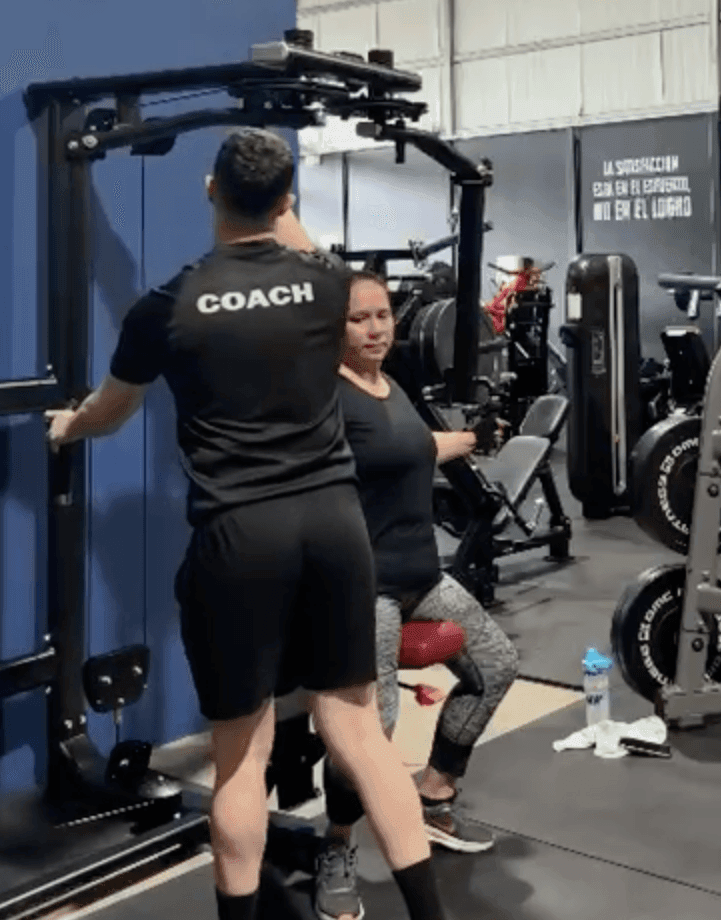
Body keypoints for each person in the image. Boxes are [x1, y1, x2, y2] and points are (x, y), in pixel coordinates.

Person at [45, 129, 450, 920]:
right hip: (336, 526)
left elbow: (109, 414)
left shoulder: (166, 305)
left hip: (242, 535)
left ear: (209, 191)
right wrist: (282, 204)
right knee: (362, 736)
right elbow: (294, 244)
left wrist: (67, 428)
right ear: (288, 197)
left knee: (242, 758)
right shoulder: (329, 285)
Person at [295, 265, 520, 920]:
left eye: (381, 316)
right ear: (333, 328)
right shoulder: (324, 398)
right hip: (364, 587)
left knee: (497, 666)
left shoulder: (388, 385)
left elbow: (415, 446)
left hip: (423, 576)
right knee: (374, 728)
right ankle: (335, 846)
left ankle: (434, 793)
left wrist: (478, 437)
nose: (373, 329)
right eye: (357, 318)